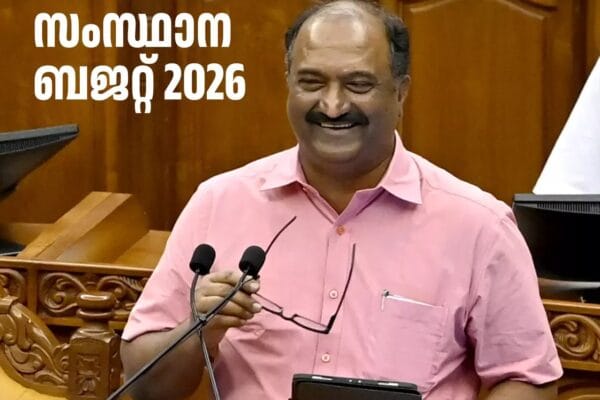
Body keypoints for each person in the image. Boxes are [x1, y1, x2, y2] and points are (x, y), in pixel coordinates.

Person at [120, 1, 563, 399]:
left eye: (358, 84)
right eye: (311, 82)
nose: (332, 106)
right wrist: (200, 329)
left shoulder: (478, 225)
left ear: (401, 92)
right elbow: (142, 385)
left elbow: (528, 378)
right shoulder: (219, 202)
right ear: (289, 85)